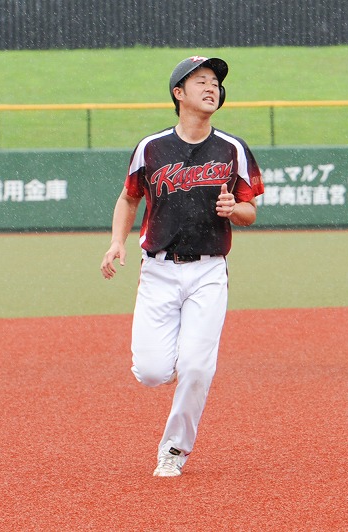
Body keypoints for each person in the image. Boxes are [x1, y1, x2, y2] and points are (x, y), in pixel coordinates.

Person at [100, 56, 264, 476]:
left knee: (196, 367)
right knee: (152, 372)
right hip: (158, 269)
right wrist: (117, 241)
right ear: (179, 93)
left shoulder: (232, 149)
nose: (212, 88)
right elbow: (129, 198)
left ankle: (174, 449)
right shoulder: (151, 148)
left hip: (208, 270)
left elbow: (250, 211)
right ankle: (173, 364)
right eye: (201, 81)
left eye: (216, 83)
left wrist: (234, 209)